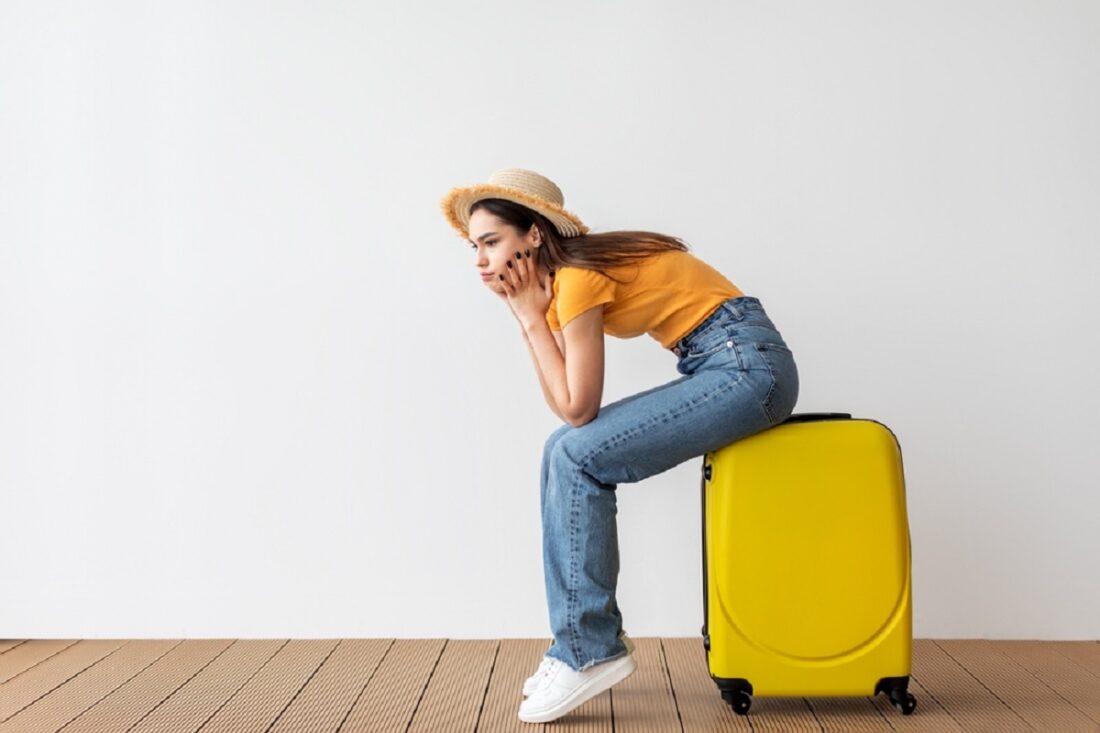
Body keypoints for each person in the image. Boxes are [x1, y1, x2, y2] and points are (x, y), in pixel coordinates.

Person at [440, 168, 800, 724]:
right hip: (727, 361)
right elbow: (567, 408)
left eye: (491, 242)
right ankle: (582, 645)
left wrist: (530, 318)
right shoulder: (560, 287)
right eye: (475, 246)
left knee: (574, 452)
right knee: (563, 447)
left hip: (747, 366)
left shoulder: (578, 277)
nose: (481, 260)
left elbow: (581, 405)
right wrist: (532, 317)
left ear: (533, 235)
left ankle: (589, 651)